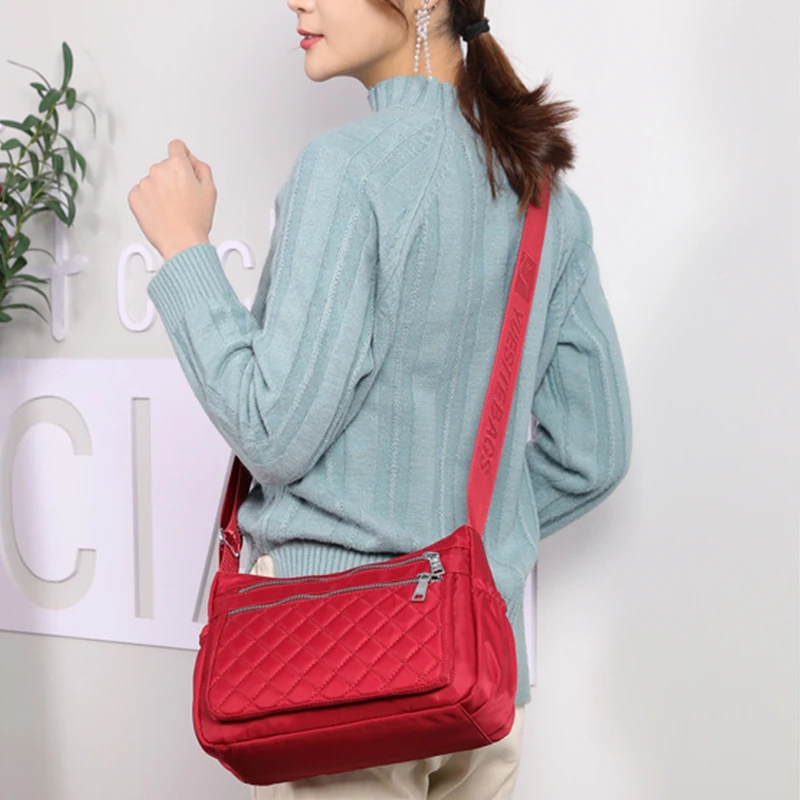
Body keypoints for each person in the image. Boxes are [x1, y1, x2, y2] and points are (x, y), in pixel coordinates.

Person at [131, 0, 632, 797]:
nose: (296, 1)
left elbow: (272, 432)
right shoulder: (545, 198)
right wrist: (454, 551)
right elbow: (593, 455)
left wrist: (185, 247)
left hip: (349, 665)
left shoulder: (348, 169)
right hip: (482, 679)